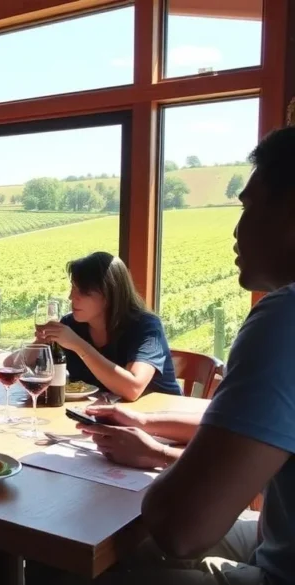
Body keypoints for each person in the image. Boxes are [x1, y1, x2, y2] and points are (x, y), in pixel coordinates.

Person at [76, 128, 295, 585]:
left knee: (87, 561)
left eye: (248, 206)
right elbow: (253, 431)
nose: (237, 229)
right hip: (276, 536)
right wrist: (144, 424)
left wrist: (157, 454)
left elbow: (182, 526)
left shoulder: (285, 319)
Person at [34, 252, 180, 402]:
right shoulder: (72, 325)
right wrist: (40, 342)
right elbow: (16, 369)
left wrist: (77, 345)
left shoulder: (146, 327)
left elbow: (133, 389)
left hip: (158, 418)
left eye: (83, 291)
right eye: (73, 288)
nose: (71, 297)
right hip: (105, 417)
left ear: (110, 294)